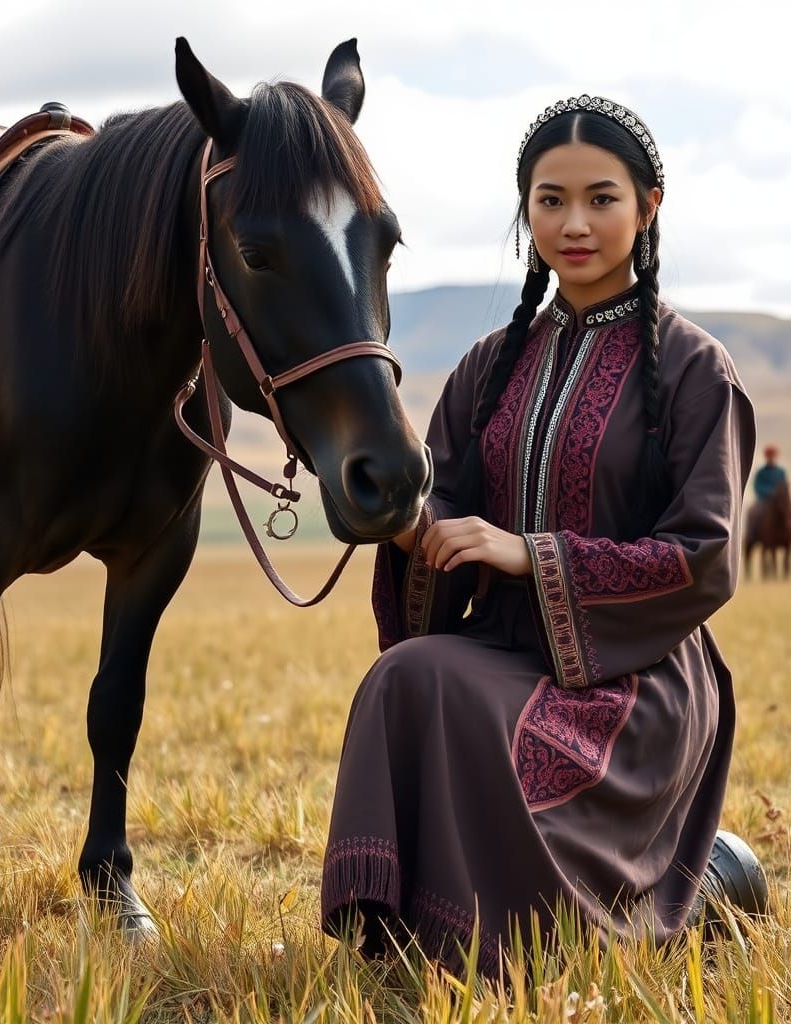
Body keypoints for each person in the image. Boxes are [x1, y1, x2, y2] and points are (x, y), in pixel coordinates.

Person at [320, 94, 756, 974]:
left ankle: (671, 892)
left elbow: (705, 556)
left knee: (484, 722)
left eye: (601, 198)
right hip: (507, 649)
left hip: (637, 678)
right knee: (406, 678)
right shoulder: (489, 365)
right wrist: (407, 524)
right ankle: (400, 938)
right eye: (549, 201)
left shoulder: (697, 370)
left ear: (649, 205)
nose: (574, 223)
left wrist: (530, 553)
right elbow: (437, 508)